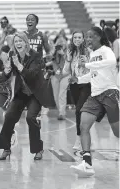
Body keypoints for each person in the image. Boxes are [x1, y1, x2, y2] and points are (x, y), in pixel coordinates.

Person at [70, 27, 119, 177]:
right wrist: (78, 79)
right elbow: (93, 74)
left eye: (91, 37)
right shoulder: (92, 54)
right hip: (95, 95)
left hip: (109, 92)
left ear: (99, 37)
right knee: (83, 125)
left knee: (117, 132)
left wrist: (87, 65)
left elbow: (111, 62)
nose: (88, 40)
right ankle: (87, 164)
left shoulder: (106, 50)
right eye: (87, 37)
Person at [0, 32, 50, 161]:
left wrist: (19, 66)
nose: (18, 43)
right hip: (21, 92)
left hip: (35, 93)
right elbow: (7, 76)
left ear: (26, 42)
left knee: (31, 118)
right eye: (16, 42)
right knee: (9, 116)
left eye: (20, 41)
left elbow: (31, 75)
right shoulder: (13, 55)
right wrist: (7, 70)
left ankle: (38, 149)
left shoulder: (35, 56)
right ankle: (6, 148)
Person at [62, 30, 91, 149]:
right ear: (72, 39)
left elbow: (94, 70)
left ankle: (79, 138)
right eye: (75, 38)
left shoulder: (89, 52)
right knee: (80, 112)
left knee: (79, 110)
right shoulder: (71, 51)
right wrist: (68, 60)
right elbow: (66, 72)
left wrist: (87, 63)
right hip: (74, 84)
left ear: (83, 39)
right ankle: (85, 136)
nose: (77, 39)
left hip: (86, 84)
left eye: (79, 37)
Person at [50, 36, 69, 120]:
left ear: (66, 44)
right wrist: (54, 51)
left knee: (62, 93)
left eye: (63, 43)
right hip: (56, 74)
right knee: (55, 95)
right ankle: (60, 111)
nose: (61, 45)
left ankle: (62, 113)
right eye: (59, 44)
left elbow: (69, 62)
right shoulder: (54, 53)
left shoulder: (69, 51)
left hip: (66, 74)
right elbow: (52, 61)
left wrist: (63, 54)